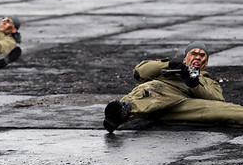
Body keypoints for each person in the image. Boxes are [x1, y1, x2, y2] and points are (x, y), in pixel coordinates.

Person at [103, 41, 243, 133]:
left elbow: (218, 99)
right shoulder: (169, 72)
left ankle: (119, 115)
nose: (197, 57)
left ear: (205, 64)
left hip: (183, 107)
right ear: (185, 59)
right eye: (193, 54)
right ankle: (123, 111)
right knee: (153, 88)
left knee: (229, 110)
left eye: (202, 56)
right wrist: (169, 65)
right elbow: (140, 73)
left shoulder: (208, 82)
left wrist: (194, 85)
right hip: (158, 94)